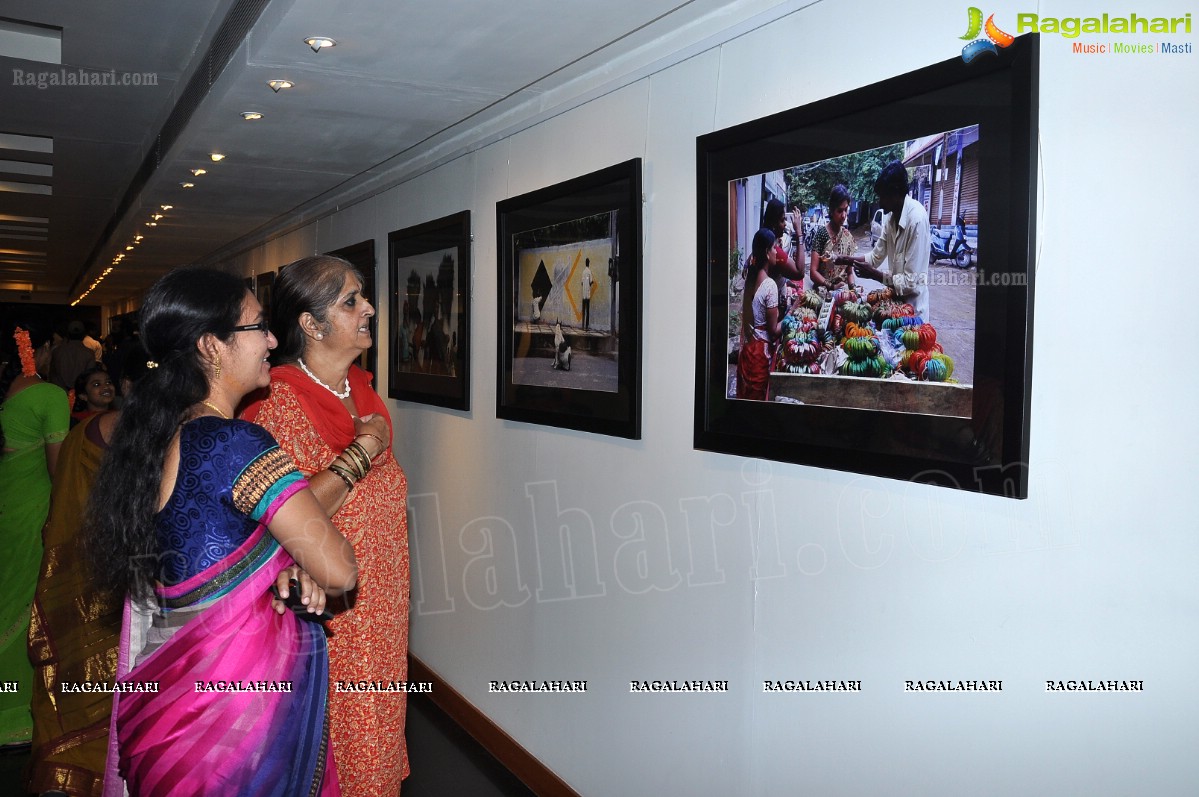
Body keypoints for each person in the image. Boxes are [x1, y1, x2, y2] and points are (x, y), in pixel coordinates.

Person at [84, 266, 357, 797]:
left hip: (172, 704)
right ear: (213, 345)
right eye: (259, 327)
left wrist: (286, 563)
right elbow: (340, 568)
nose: (274, 341)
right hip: (232, 721)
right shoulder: (232, 442)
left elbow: (219, 545)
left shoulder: (161, 432)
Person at [243, 255, 410, 797]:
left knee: (375, 742)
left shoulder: (362, 390)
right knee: (330, 753)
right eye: (351, 301)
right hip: (323, 615)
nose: (369, 309)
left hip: (381, 611)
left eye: (363, 296)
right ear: (311, 326)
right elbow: (289, 514)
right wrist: (363, 450)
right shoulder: (279, 403)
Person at [27, 349, 149, 796]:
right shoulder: (140, 436)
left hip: (88, 570)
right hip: (119, 577)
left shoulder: (85, 432)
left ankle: (75, 772)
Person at [1, 324, 70, 752]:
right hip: (33, 511)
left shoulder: (11, 391)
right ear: (42, 348)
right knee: (27, 602)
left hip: (6, 504)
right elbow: (60, 472)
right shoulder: (48, 395)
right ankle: (14, 710)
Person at [841, 161, 931, 320]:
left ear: (896, 194)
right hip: (895, 307)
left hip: (914, 312)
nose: (880, 203)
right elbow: (875, 256)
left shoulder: (916, 220)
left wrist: (875, 275)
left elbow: (909, 283)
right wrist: (846, 259)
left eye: (883, 196)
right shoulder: (890, 219)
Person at [736, 228, 782, 401]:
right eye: (774, 248)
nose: (776, 251)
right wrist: (791, 313)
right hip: (759, 359)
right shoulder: (769, 286)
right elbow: (774, 331)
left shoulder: (750, 278)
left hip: (747, 355)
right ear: (766, 252)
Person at [809, 184, 858, 292]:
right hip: (823, 293)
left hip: (843, 294)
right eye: (840, 211)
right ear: (831, 210)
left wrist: (854, 290)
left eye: (846, 210)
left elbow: (849, 272)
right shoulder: (822, 234)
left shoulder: (848, 236)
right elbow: (813, 272)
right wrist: (831, 286)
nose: (844, 215)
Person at [762, 197, 805, 310]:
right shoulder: (773, 250)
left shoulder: (765, 240)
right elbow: (799, 273)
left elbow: (777, 273)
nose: (785, 224)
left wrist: (789, 283)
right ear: (773, 224)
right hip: (771, 309)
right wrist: (799, 232)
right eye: (782, 220)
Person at [48, 321, 96, 392]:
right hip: (80, 393)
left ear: (68, 334)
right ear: (83, 335)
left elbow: (52, 375)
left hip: (60, 392)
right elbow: (90, 377)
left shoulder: (57, 351)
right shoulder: (89, 353)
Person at [581, 257, 593, 330]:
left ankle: (582, 326)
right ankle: (586, 327)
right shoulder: (589, 271)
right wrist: (591, 283)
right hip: (587, 295)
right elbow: (591, 281)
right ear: (589, 263)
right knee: (587, 311)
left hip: (583, 294)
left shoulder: (583, 272)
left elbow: (582, 283)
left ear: (585, 263)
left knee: (583, 310)